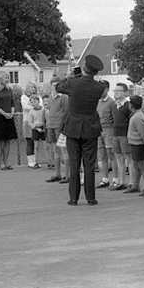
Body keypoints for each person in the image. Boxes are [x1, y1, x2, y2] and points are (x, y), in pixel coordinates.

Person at [55, 55, 107, 206]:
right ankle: (91, 197)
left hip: (73, 127)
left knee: (74, 163)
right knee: (89, 164)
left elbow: (58, 87)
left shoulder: (73, 83)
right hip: (90, 127)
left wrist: (69, 76)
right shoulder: (99, 87)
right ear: (96, 72)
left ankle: (73, 198)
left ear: (84, 68)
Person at [0, 71, 17, 170]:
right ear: (0, 78)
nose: (8, 79)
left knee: (7, 140)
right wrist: (4, 113)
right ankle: (0, 162)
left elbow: (12, 102)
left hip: (9, 117)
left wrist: (12, 113)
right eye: (6, 77)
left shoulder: (9, 89)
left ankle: (6, 162)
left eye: (8, 77)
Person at [45, 84, 69, 184]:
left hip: (60, 126)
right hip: (51, 125)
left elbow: (67, 111)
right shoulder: (50, 98)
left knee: (64, 149)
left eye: (56, 85)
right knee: (55, 149)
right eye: (53, 85)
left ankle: (66, 175)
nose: (54, 87)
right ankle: (57, 174)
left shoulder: (64, 97)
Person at [110, 83, 132, 191]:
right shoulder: (115, 106)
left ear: (125, 92)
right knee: (119, 158)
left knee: (128, 158)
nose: (116, 92)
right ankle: (121, 181)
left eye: (119, 90)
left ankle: (131, 182)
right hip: (115, 134)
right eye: (115, 91)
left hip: (125, 134)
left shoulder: (128, 105)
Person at [125, 95, 144, 195]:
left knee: (142, 166)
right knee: (136, 165)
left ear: (131, 105)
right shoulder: (135, 115)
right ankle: (136, 184)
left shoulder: (138, 117)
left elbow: (142, 132)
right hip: (134, 143)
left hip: (139, 144)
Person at [95, 81, 117, 188]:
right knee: (102, 155)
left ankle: (115, 178)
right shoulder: (97, 101)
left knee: (111, 154)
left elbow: (114, 119)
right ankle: (105, 178)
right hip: (99, 130)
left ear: (107, 90)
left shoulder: (111, 102)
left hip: (109, 129)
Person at [25, 94, 46, 169]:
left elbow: (46, 119)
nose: (34, 103)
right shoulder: (31, 111)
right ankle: (36, 162)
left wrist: (44, 128)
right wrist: (36, 128)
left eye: (35, 101)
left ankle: (50, 161)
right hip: (36, 130)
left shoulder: (43, 109)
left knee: (46, 146)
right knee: (36, 146)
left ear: (38, 101)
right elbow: (30, 122)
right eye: (32, 102)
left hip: (43, 129)